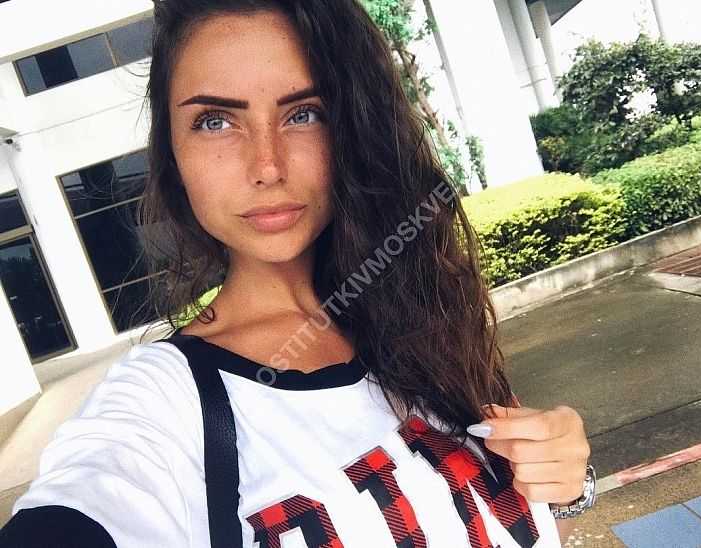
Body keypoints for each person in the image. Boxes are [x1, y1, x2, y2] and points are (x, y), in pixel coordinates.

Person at [0, 1, 592, 546]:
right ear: (172, 153)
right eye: (215, 121)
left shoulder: (422, 312)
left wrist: (566, 482)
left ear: (354, 129)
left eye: (304, 113)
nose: (267, 165)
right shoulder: (165, 406)